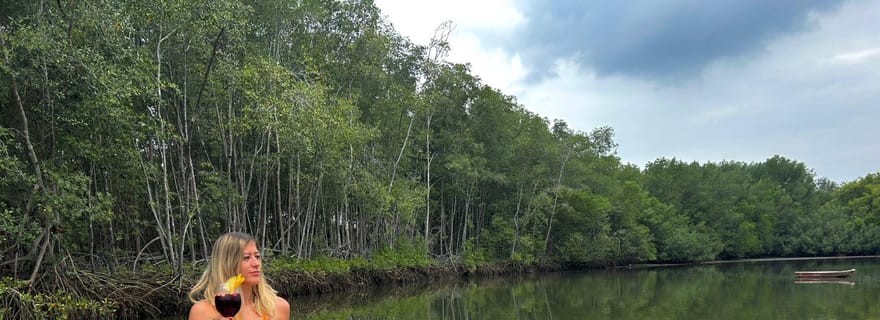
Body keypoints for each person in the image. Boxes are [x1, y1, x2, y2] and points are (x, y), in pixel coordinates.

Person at [189, 232, 290, 320]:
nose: (256, 263)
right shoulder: (202, 312)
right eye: (246, 258)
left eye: (257, 256)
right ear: (227, 264)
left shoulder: (279, 307)